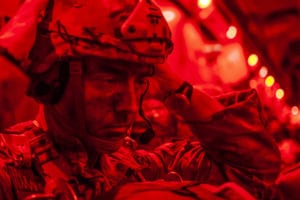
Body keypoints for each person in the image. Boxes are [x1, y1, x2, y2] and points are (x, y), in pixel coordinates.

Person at [0, 0, 280, 199]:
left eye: (139, 82)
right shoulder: (9, 170)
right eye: (109, 80)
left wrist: (175, 87)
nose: (130, 107)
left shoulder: (139, 167)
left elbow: (256, 170)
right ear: (51, 80)